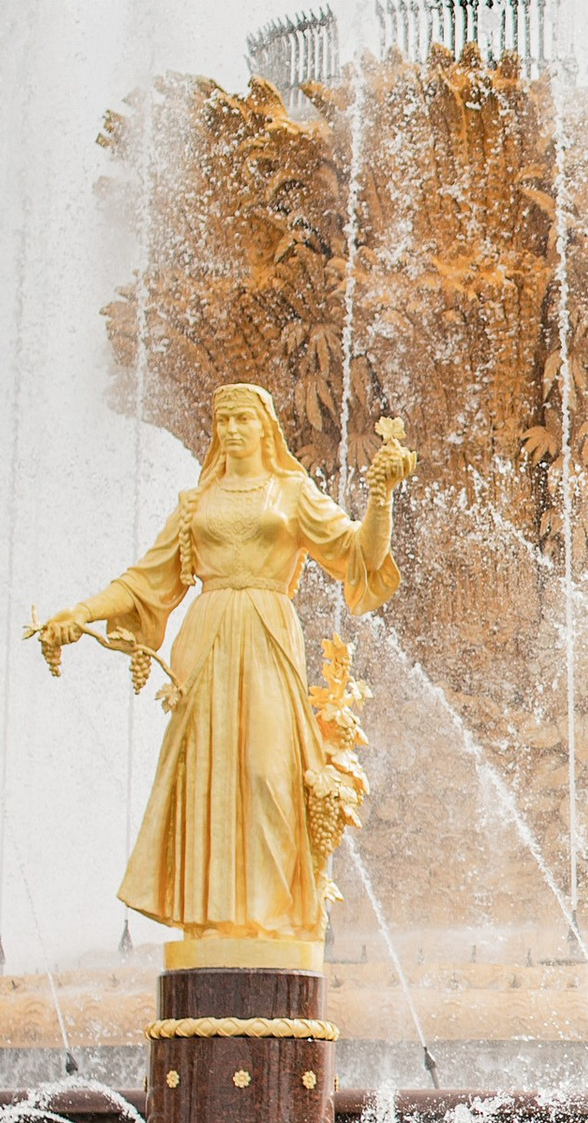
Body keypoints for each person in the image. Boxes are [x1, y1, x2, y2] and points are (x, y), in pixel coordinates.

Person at [32, 384, 410, 947]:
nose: (231, 429)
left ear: (266, 429)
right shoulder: (195, 504)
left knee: (267, 771)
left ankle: (272, 917)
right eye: (222, 420)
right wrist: (81, 611)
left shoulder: (292, 491)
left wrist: (380, 498)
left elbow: (360, 554)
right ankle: (212, 918)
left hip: (267, 634)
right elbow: (146, 580)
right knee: (209, 774)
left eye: (243, 420)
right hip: (206, 638)